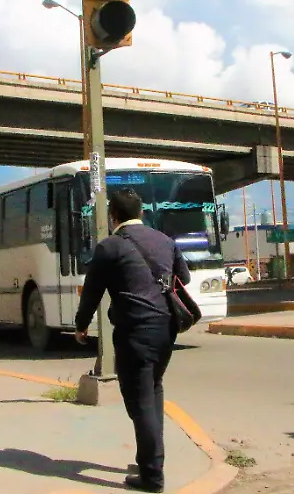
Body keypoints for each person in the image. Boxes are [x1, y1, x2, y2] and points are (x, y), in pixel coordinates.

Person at [74, 188, 191, 493]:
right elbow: (185, 278)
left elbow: (92, 292)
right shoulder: (164, 241)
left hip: (134, 331)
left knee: (140, 403)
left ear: (113, 215)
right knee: (152, 392)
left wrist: (80, 326)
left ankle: (152, 477)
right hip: (166, 329)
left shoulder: (109, 247)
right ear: (141, 212)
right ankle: (150, 462)